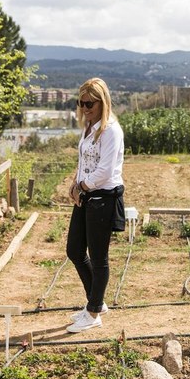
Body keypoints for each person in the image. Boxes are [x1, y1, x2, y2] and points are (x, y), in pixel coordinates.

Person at [66, 78, 125, 333]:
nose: (85, 108)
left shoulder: (111, 130)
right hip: (86, 195)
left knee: (99, 257)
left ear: (103, 102)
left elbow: (104, 170)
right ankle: (96, 303)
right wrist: (75, 183)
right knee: (74, 250)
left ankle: (93, 312)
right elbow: (84, 161)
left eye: (89, 103)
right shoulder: (89, 126)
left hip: (102, 197)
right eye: (81, 103)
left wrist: (83, 187)